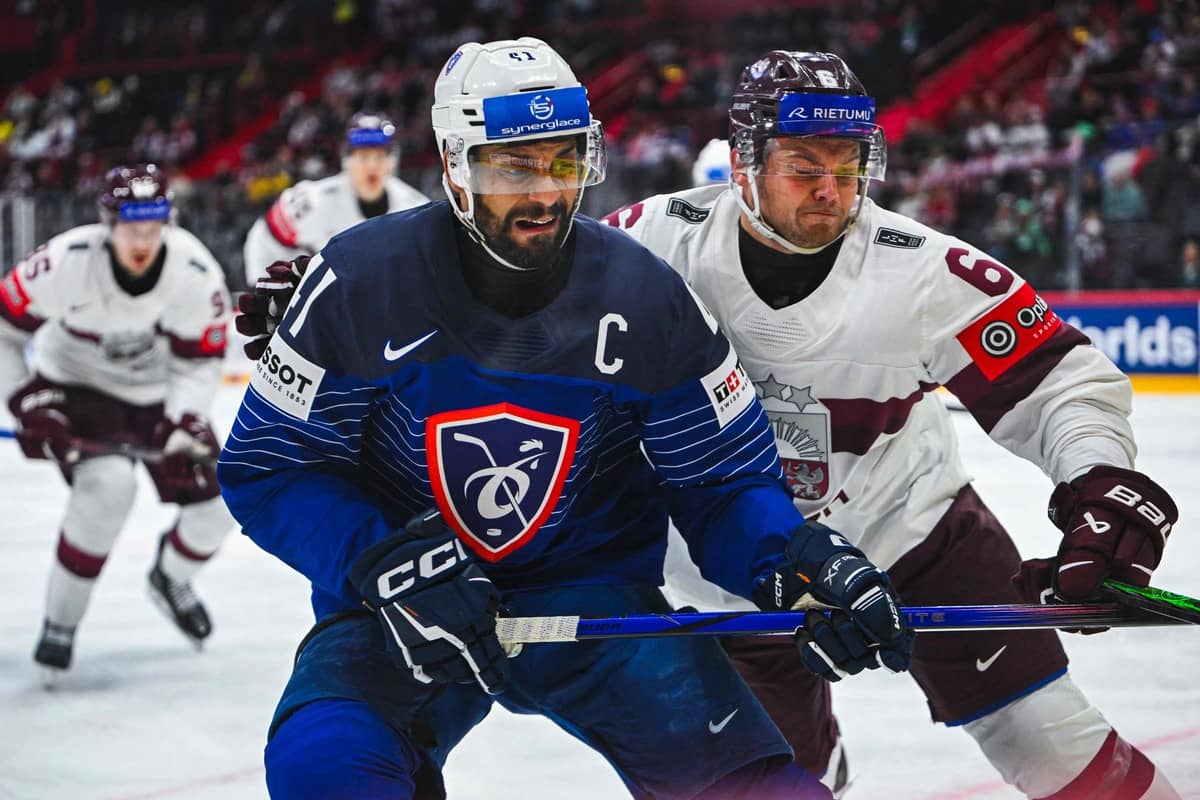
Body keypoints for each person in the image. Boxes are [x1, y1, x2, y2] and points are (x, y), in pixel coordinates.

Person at [217, 38, 913, 800]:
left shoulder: (647, 297)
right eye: (513, 166)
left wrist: (797, 561)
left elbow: (721, 485)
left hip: (595, 602)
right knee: (324, 767)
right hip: (403, 607)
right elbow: (269, 466)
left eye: (564, 161)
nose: (546, 192)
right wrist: (380, 560)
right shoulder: (359, 279)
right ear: (454, 164)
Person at [599, 51, 1180, 799]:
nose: (831, 190)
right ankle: (818, 762)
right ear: (742, 163)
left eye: (848, 164)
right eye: (803, 164)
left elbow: (1060, 383)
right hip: (731, 570)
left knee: (1050, 746)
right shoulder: (647, 245)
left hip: (913, 531)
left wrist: (1099, 480)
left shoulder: (922, 271)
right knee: (776, 781)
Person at [0, 164, 236, 682]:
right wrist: (25, 400)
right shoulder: (63, 263)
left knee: (221, 503)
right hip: (76, 388)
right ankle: (60, 624)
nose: (143, 241)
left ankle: (170, 578)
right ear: (107, 223)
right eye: (132, 229)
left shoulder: (195, 273)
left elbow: (198, 362)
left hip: (158, 397)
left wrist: (186, 420)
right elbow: (4, 330)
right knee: (108, 489)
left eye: (153, 229)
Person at [241, 112, 428, 287]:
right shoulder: (311, 201)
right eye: (363, 157)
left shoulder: (417, 209)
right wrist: (267, 288)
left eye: (379, 156)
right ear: (348, 160)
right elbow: (263, 238)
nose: (372, 166)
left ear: (392, 161)